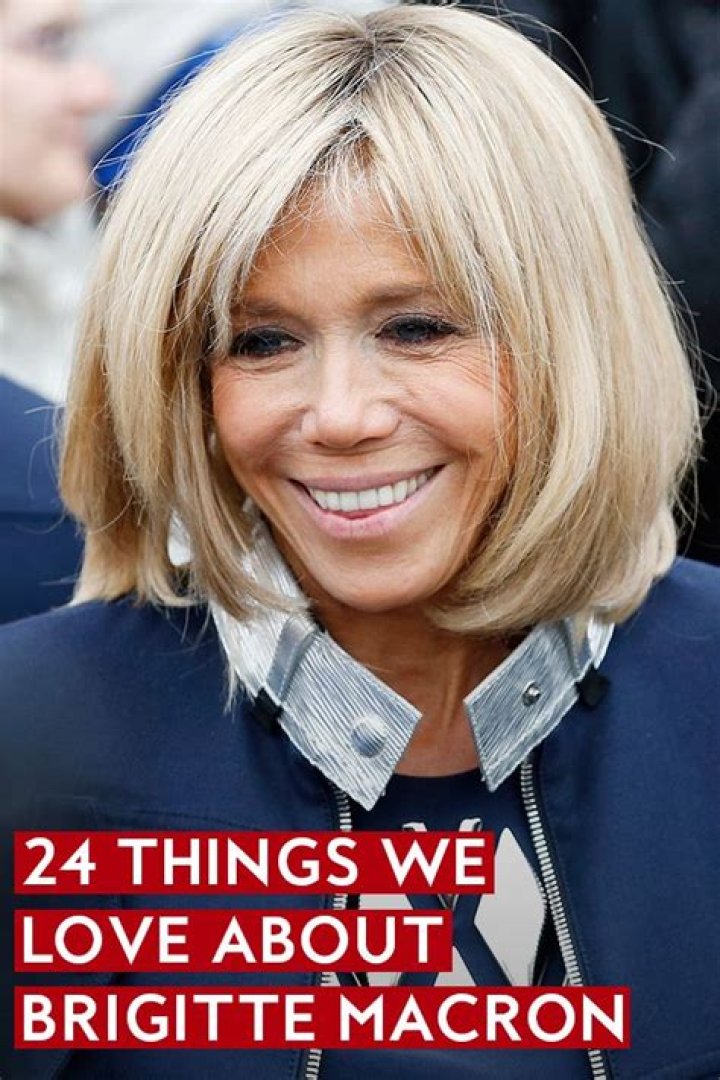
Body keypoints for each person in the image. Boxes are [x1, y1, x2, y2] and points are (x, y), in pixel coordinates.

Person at [1, 7, 718, 1078]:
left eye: (416, 328)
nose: (339, 415)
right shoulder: (35, 732)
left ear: (573, 337)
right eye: (261, 341)